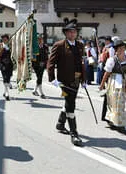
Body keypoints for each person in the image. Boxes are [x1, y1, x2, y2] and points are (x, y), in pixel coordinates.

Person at [48, 18, 86, 146]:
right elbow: (51, 63)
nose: (72, 34)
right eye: (69, 32)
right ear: (65, 33)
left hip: (76, 79)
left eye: (74, 32)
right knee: (71, 104)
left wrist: (84, 79)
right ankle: (74, 133)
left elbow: (82, 63)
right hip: (64, 81)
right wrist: (52, 79)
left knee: (69, 102)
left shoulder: (80, 45)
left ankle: (60, 123)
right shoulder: (59, 45)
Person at [99, 39, 126, 134]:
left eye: (123, 48)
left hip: (124, 82)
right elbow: (107, 73)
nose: (121, 50)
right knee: (113, 103)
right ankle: (113, 120)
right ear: (116, 49)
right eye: (119, 48)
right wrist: (102, 84)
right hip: (114, 82)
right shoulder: (112, 60)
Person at [32, 34, 49, 99]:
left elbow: (46, 56)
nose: (40, 40)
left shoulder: (45, 46)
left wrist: (46, 63)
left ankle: (35, 90)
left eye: (41, 39)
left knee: (39, 77)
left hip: (43, 65)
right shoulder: (35, 47)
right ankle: (41, 93)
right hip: (36, 65)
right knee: (39, 77)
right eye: (38, 39)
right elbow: (33, 57)